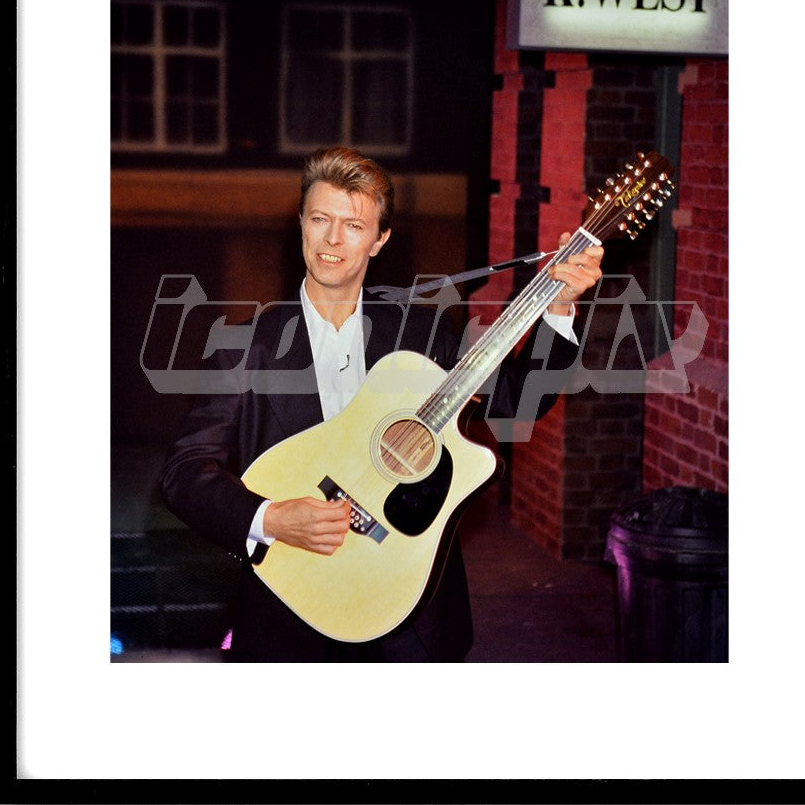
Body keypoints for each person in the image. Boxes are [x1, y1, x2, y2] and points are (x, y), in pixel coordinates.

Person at [160, 146, 604, 662]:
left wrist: (559, 307)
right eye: (320, 219)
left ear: (379, 239)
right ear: (301, 224)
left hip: (411, 619)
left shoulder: (424, 332)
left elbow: (514, 402)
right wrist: (270, 517)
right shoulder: (243, 348)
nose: (332, 239)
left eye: (353, 225)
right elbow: (184, 472)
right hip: (289, 609)